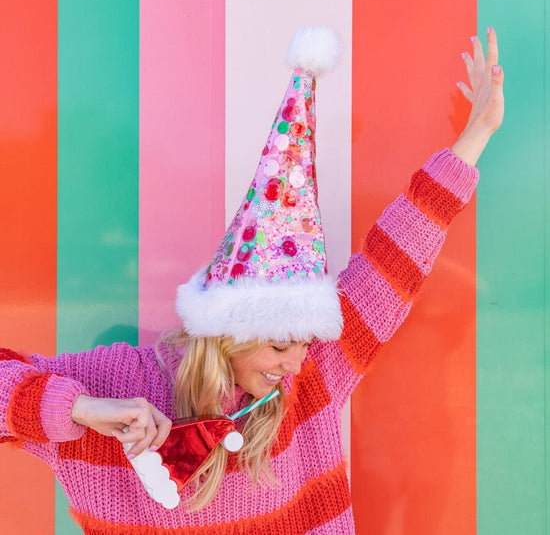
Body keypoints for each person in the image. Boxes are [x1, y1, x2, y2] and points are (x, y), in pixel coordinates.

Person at [0, 27, 503, 534]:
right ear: (230, 330)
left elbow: (393, 260)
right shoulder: (121, 386)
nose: (297, 363)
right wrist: (81, 409)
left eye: (305, 343)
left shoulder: (313, 378)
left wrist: (475, 136)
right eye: (282, 346)